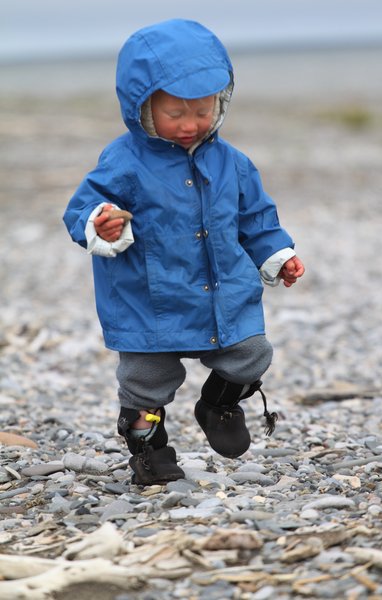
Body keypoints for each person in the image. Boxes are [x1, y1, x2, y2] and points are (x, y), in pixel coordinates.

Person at [63, 19, 305, 486]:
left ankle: (218, 404)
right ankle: (150, 451)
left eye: (203, 110)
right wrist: (101, 222)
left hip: (222, 293)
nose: (190, 124)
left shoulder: (233, 161)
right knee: (145, 382)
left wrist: (278, 254)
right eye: (175, 113)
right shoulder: (124, 160)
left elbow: (256, 218)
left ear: (221, 101)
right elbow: (83, 209)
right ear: (142, 106)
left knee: (252, 352)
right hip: (148, 299)